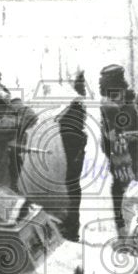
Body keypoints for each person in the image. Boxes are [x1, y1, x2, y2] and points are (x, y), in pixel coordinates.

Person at [99, 64, 138, 237]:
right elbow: (104, 141)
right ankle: (125, 236)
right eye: (109, 93)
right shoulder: (105, 105)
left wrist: (134, 137)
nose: (114, 98)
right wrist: (114, 139)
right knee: (121, 202)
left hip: (137, 162)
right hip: (118, 165)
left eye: (116, 92)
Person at [58, 70, 89, 242]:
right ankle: (72, 226)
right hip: (77, 154)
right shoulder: (78, 106)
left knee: (72, 190)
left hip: (74, 154)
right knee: (74, 190)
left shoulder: (73, 106)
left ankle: (72, 227)